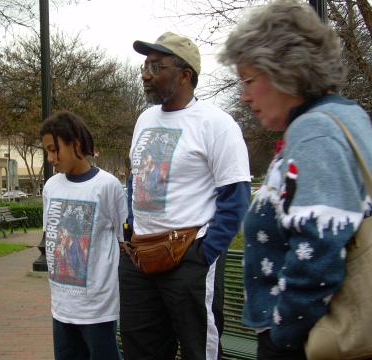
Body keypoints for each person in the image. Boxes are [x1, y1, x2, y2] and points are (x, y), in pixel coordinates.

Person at [218, 1, 372, 359]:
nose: (243, 95)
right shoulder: (346, 117)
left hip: (313, 341)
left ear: (283, 70)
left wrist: (284, 333)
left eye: (248, 80)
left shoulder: (315, 131)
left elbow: (317, 245)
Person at [119, 32, 251, 360]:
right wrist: (131, 229)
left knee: (199, 351)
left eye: (155, 66)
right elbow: (137, 180)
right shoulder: (144, 119)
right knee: (141, 350)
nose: (145, 74)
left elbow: (236, 196)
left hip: (188, 257)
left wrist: (203, 255)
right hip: (141, 257)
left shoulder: (217, 124)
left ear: (184, 74)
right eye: (144, 66)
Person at [41, 110, 128, 360]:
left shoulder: (107, 186)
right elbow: (52, 237)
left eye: (54, 149)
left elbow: (125, 242)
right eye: (47, 151)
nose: (50, 158)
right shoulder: (51, 187)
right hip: (61, 306)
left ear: (75, 144)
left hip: (97, 308)